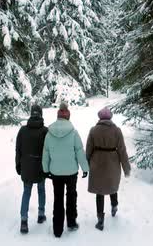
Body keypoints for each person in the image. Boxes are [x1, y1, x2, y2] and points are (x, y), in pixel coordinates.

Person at [42, 102, 89, 238]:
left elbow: (46, 153)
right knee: (71, 196)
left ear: (57, 117)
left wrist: (45, 170)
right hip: (71, 172)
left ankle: (57, 229)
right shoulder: (73, 133)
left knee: (58, 199)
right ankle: (72, 222)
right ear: (68, 117)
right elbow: (80, 152)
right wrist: (85, 168)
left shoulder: (49, 133)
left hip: (55, 173)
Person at [86, 106, 131, 231]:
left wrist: (86, 164)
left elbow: (89, 148)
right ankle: (114, 206)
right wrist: (126, 168)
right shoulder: (117, 131)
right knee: (112, 187)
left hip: (97, 162)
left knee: (99, 192)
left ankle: (100, 219)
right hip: (112, 162)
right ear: (110, 117)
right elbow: (122, 150)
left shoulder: (93, 130)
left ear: (100, 117)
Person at [15, 104, 48, 234]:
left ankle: (24, 220)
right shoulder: (45, 131)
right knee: (41, 190)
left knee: (26, 192)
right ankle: (41, 214)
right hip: (40, 167)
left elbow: (18, 150)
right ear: (41, 114)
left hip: (27, 167)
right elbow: (48, 151)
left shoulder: (23, 130)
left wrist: (18, 165)